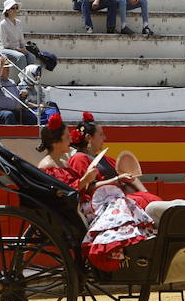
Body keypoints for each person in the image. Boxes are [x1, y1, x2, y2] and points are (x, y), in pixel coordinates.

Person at [36, 112, 158, 271]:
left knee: (122, 203)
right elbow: (63, 192)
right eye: (67, 137)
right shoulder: (48, 164)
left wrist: (85, 181)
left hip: (82, 202)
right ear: (56, 141)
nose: (71, 140)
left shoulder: (63, 162)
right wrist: (85, 180)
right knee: (121, 205)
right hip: (74, 207)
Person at [67, 112, 161, 211]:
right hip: (102, 202)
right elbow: (88, 189)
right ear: (89, 138)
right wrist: (117, 179)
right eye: (101, 135)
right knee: (140, 202)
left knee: (154, 201)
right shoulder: (79, 159)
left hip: (119, 197)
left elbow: (130, 175)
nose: (104, 138)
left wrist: (146, 193)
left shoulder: (103, 158)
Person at [0, 58, 35, 125]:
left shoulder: (11, 82)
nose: (8, 71)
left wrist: (23, 95)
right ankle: (9, 135)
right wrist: (1, 65)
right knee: (9, 115)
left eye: (8, 69)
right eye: (5, 69)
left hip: (13, 111)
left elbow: (18, 97)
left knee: (30, 117)